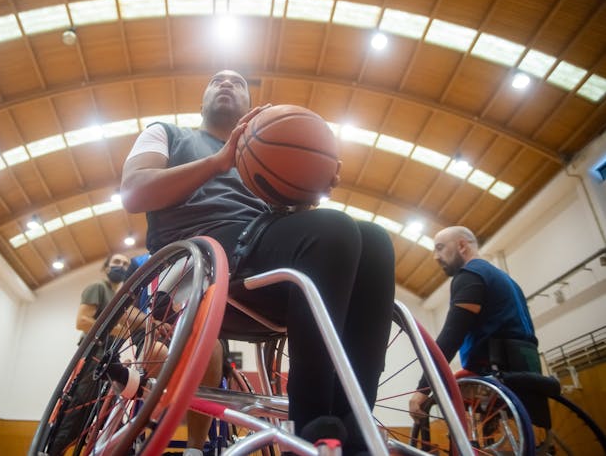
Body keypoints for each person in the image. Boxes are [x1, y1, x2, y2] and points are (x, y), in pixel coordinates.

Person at [121, 70, 395, 454]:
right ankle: (312, 424)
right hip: (201, 254)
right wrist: (219, 162)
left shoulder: (266, 154)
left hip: (261, 248)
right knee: (333, 230)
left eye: (238, 82)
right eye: (217, 79)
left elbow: (296, 226)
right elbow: (133, 194)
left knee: (376, 242)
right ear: (201, 100)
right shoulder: (167, 133)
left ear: (252, 109)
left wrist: (310, 187)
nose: (227, 83)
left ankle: (356, 428)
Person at [408, 226, 541, 423]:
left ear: (462, 245)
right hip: (528, 367)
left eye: (440, 248)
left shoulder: (470, 276)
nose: (436, 257)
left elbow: (451, 337)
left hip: (494, 370)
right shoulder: (506, 279)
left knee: (432, 401)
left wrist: (423, 388)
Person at [48, 253, 131, 455]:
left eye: (125, 264)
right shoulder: (98, 288)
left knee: (110, 413)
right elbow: (82, 320)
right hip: (93, 357)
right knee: (77, 413)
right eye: (116, 262)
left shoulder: (117, 296)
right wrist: (117, 328)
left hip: (108, 359)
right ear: (106, 267)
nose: (121, 266)